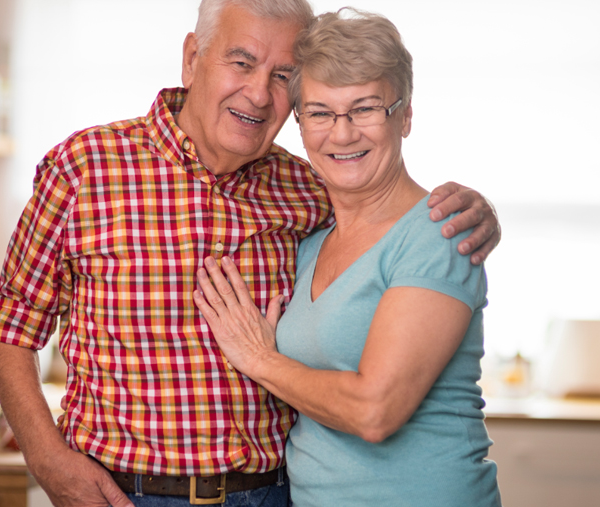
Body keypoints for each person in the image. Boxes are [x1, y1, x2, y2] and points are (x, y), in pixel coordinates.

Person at [0, 1, 501, 506]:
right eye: (242, 62)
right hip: (126, 494)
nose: (256, 93)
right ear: (191, 59)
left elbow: (391, 217)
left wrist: (478, 213)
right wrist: (46, 459)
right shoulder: (85, 168)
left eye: (282, 76)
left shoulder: (307, 189)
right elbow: (12, 323)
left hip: (275, 494)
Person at [193, 8, 502, 506]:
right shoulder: (310, 237)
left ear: (404, 116)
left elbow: (374, 412)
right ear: (298, 121)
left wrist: (258, 358)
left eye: (364, 108)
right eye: (319, 112)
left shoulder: (440, 233)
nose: (341, 134)